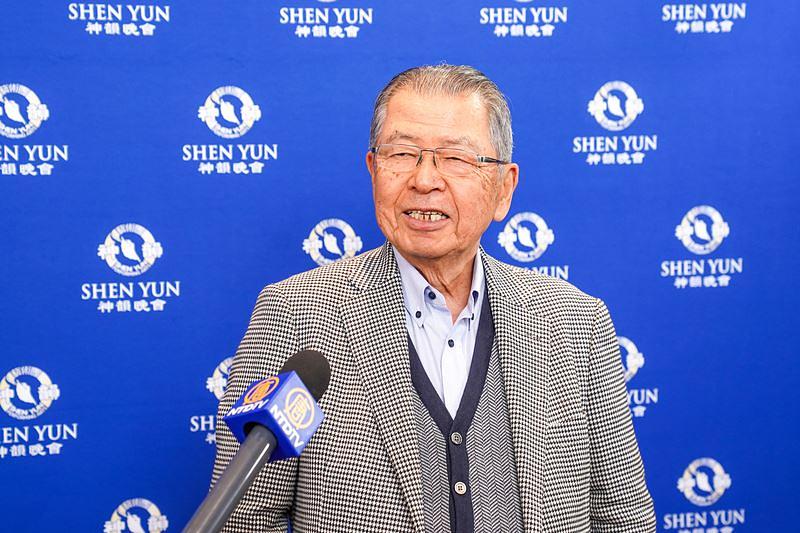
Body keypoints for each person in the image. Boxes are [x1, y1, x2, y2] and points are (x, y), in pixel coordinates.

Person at [211, 64, 656, 532]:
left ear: (504, 189)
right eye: (402, 153)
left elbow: (623, 519)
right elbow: (241, 522)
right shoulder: (294, 314)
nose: (424, 180)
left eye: (456, 158)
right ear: (373, 169)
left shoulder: (577, 322)